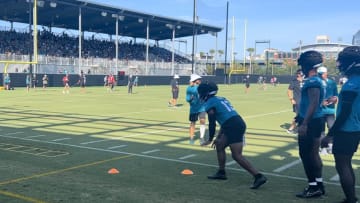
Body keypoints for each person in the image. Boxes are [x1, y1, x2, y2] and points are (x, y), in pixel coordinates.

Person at [198, 82, 267, 189]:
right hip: (236, 123)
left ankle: (258, 176)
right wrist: (218, 137)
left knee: (237, 155)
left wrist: (210, 139)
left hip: (232, 126)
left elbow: (212, 122)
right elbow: (224, 120)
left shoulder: (210, 103)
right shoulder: (221, 99)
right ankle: (221, 172)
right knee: (220, 145)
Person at [321, 46, 360, 203]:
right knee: (346, 164)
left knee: (343, 165)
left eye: (342, 61)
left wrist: (330, 135)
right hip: (354, 127)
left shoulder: (353, 83)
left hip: (348, 129)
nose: (339, 64)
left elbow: (345, 113)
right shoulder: (354, 81)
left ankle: (350, 199)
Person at [295, 50, 326, 198]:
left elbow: (313, 103)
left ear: (307, 65)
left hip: (311, 121)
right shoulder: (317, 80)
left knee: (306, 154)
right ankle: (319, 185)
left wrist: (304, 123)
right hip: (315, 120)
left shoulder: (313, 81)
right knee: (313, 154)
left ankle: (313, 187)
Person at [317, 66, 338, 155]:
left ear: (326, 73)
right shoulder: (316, 83)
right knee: (321, 130)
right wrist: (321, 103)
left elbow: (336, 95)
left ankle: (331, 145)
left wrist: (333, 99)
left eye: (323, 74)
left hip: (330, 111)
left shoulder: (332, 83)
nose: (322, 75)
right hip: (319, 111)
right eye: (320, 74)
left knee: (332, 128)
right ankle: (323, 147)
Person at [186, 74, 206, 145]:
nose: (200, 80)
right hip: (193, 109)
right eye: (198, 79)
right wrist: (190, 98)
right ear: (195, 80)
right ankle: (191, 138)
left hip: (202, 108)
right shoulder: (189, 88)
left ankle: (202, 138)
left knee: (203, 121)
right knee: (192, 123)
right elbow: (187, 99)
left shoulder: (202, 87)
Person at [286, 69, 304, 134]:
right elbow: (289, 91)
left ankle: (299, 128)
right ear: (298, 74)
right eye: (301, 74)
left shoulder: (305, 81)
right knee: (298, 115)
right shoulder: (294, 82)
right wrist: (291, 99)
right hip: (298, 101)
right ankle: (291, 129)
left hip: (305, 102)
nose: (302, 75)